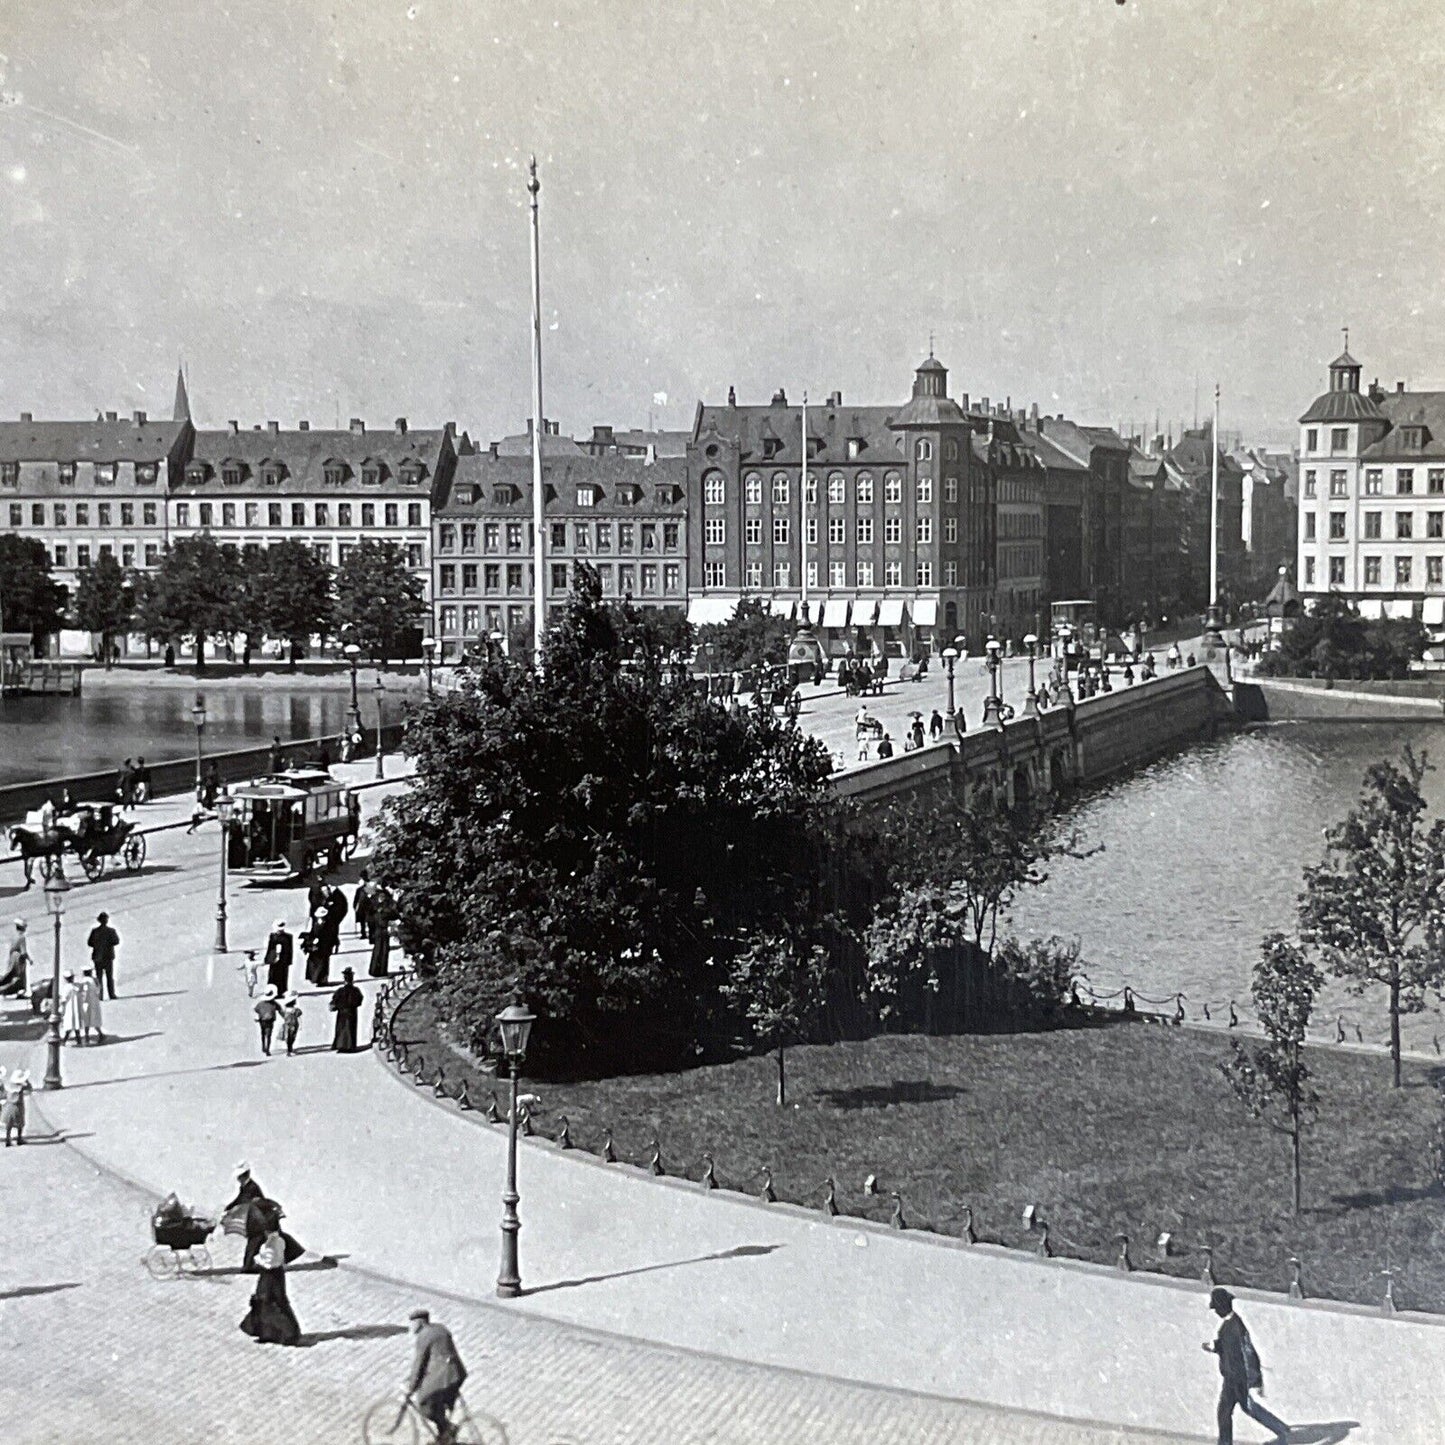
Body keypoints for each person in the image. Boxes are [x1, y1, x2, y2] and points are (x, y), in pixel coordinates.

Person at [1204, 1287, 1288, 1444]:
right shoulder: (1227, 1326)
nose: (1215, 1312)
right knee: (1227, 1411)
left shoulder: (1237, 1327)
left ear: (1222, 1307)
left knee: (1247, 1408)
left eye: (1216, 1308)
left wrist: (1255, 1381)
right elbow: (1227, 1347)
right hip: (1230, 1378)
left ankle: (1281, 1430)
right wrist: (1214, 1347)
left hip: (1239, 1379)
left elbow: (1249, 1354)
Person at [238, 1203, 302, 1346]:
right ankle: (269, 1333)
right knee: (270, 1303)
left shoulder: (272, 1243)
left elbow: (269, 1262)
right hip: (274, 1276)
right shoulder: (277, 1240)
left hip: (270, 1275)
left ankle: (285, 1334)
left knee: (270, 1303)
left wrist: (257, 1259)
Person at [401, 1308, 468, 1443]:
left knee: (424, 1403)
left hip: (445, 1376)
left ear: (420, 1322)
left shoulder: (424, 1336)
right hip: (457, 1373)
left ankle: (449, 1429)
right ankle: (444, 1437)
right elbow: (434, 1358)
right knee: (437, 1404)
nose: (411, 1327)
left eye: (413, 1323)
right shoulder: (439, 1329)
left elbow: (419, 1363)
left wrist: (411, 1386)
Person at [225, 1163, 267, 1272]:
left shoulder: (251, 1187)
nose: (239, 1179)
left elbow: (244, 1200)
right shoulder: (246, 1187)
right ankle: (249, 1265)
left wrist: (232, 1207)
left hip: (257, 1220)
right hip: (254, 1220)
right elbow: (240, 1199)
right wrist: (229, 1207)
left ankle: (249, 1265)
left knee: (256, 1242)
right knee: (255, 1242)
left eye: (240, 1177)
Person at [87, 911, 120, 1000]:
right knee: (110, 977)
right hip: (108, 957)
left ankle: (99, 995)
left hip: (98, 957)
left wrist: (97, 944)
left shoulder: (94, 931)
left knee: (99, 977)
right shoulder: (111, 931)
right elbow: (116, 941)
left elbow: (89, 943)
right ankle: (111, 994)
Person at [330, 968, 364, 1052]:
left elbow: (334, 1002)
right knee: (350, 1029)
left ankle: (340, 1045)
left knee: (341, 1028)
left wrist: (337, 1006)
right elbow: (359, 1001)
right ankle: (350, 1046)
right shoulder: (356, 990)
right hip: (352, 1012)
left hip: (342, 1013)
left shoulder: (340, 991)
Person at [1, 1068, 31, 1146]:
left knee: (9, 1124)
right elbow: (30, 1089)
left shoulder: (10, 1086)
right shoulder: (21, 1087)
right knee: (20, 1123)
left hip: (9, 1106)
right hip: (18, 1106)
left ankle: (8, 1139)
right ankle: (19, 1138)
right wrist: (27, 1081)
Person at [264, 920, 293, 995]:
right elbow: (270, 948)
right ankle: (272, 991)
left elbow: (290, 950)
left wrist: (289, 960)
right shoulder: (273, 936)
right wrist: (267, 959)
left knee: (283, 976)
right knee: (273, 975)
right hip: (274, 960)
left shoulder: (288, 937)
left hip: (283, 960)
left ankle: (282, 991)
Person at [0, 921, 29, 998]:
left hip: (13, 958)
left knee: (10, 974)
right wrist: (29, 959)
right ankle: (17, 991)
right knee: (20, 976)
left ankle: (5, 987)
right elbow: (23, 952)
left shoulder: (14, 937)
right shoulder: (22, 937)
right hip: (19, 959)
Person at [368, 890, 392, 977]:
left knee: (382, 951)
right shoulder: (379, 908)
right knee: (380, 951)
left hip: (381, 931)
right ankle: (378, 970)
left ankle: (379, 970)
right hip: (380, 931)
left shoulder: (381, 907)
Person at [79, 968, 105, 1044]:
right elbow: (98, 990)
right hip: (95, 1001)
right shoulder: (95, 980)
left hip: (87, 1002)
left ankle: (87, 1036)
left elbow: (85, 992)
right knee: (94, 1019)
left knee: (86, 1019)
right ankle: (99, 1033)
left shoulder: (85, 981)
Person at [254, 985, 280, 1056]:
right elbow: (280, 1008)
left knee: (263, 1033)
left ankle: (263, 1047)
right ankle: (267, 1049)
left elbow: (256, 1009)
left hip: (262, 1020)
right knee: (268, 1035)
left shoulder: (260, 1004)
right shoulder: (274, 1003)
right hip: (270, 1021)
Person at [60, 971, 83, 1045]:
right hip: (76, 1008)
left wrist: (61, 1008)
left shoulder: (66, 988)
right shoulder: (76, 987)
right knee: (76, 1024)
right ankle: (78, 1040)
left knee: (69, 1024)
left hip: (69, 1008)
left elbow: (64, 999)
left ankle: (64, 1040)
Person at [354, 871, 374, 942]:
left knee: (369, 922)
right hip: (362, 907)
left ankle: (371, 936)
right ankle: (364, 933)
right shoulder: (359, 889)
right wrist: (355, 906)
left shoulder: (370, 887)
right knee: (363, 921)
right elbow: (356, 898)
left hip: (368, 907)